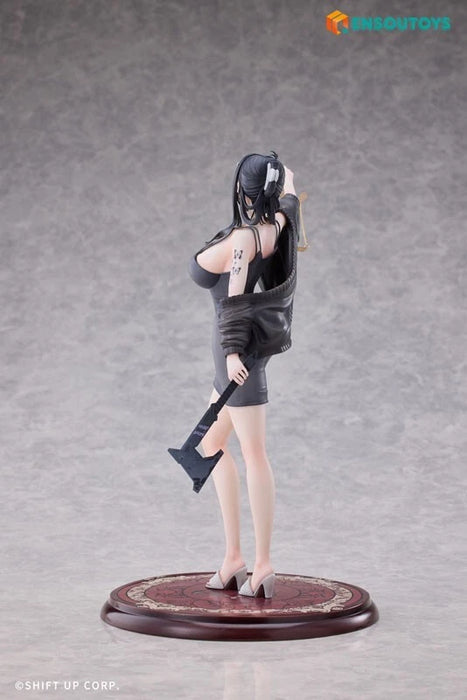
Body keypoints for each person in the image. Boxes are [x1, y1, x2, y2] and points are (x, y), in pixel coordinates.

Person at [188, 151, 300, 598]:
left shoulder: (243, 240)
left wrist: (233, 353)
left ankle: (263, 564)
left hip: (236, 359)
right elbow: (291, 193)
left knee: (254, 454)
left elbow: (235, 299)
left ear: (243, 190)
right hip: (236, 358)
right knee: (210, 444)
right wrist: (285, 181)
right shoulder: (279, 222)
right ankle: (234, 557)